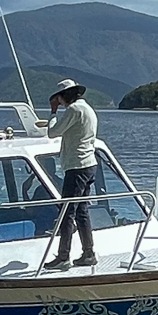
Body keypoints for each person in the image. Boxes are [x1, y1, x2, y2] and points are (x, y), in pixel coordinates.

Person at [43, 80, 98, 270]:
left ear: (64, 96)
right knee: (82, 211)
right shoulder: (87, 109)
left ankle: (63, 256)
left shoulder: (74, 110)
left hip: (76, 167)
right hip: (89, 164)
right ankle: (88, 253)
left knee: (66, 212)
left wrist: (52, 112)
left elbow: (52, 132)